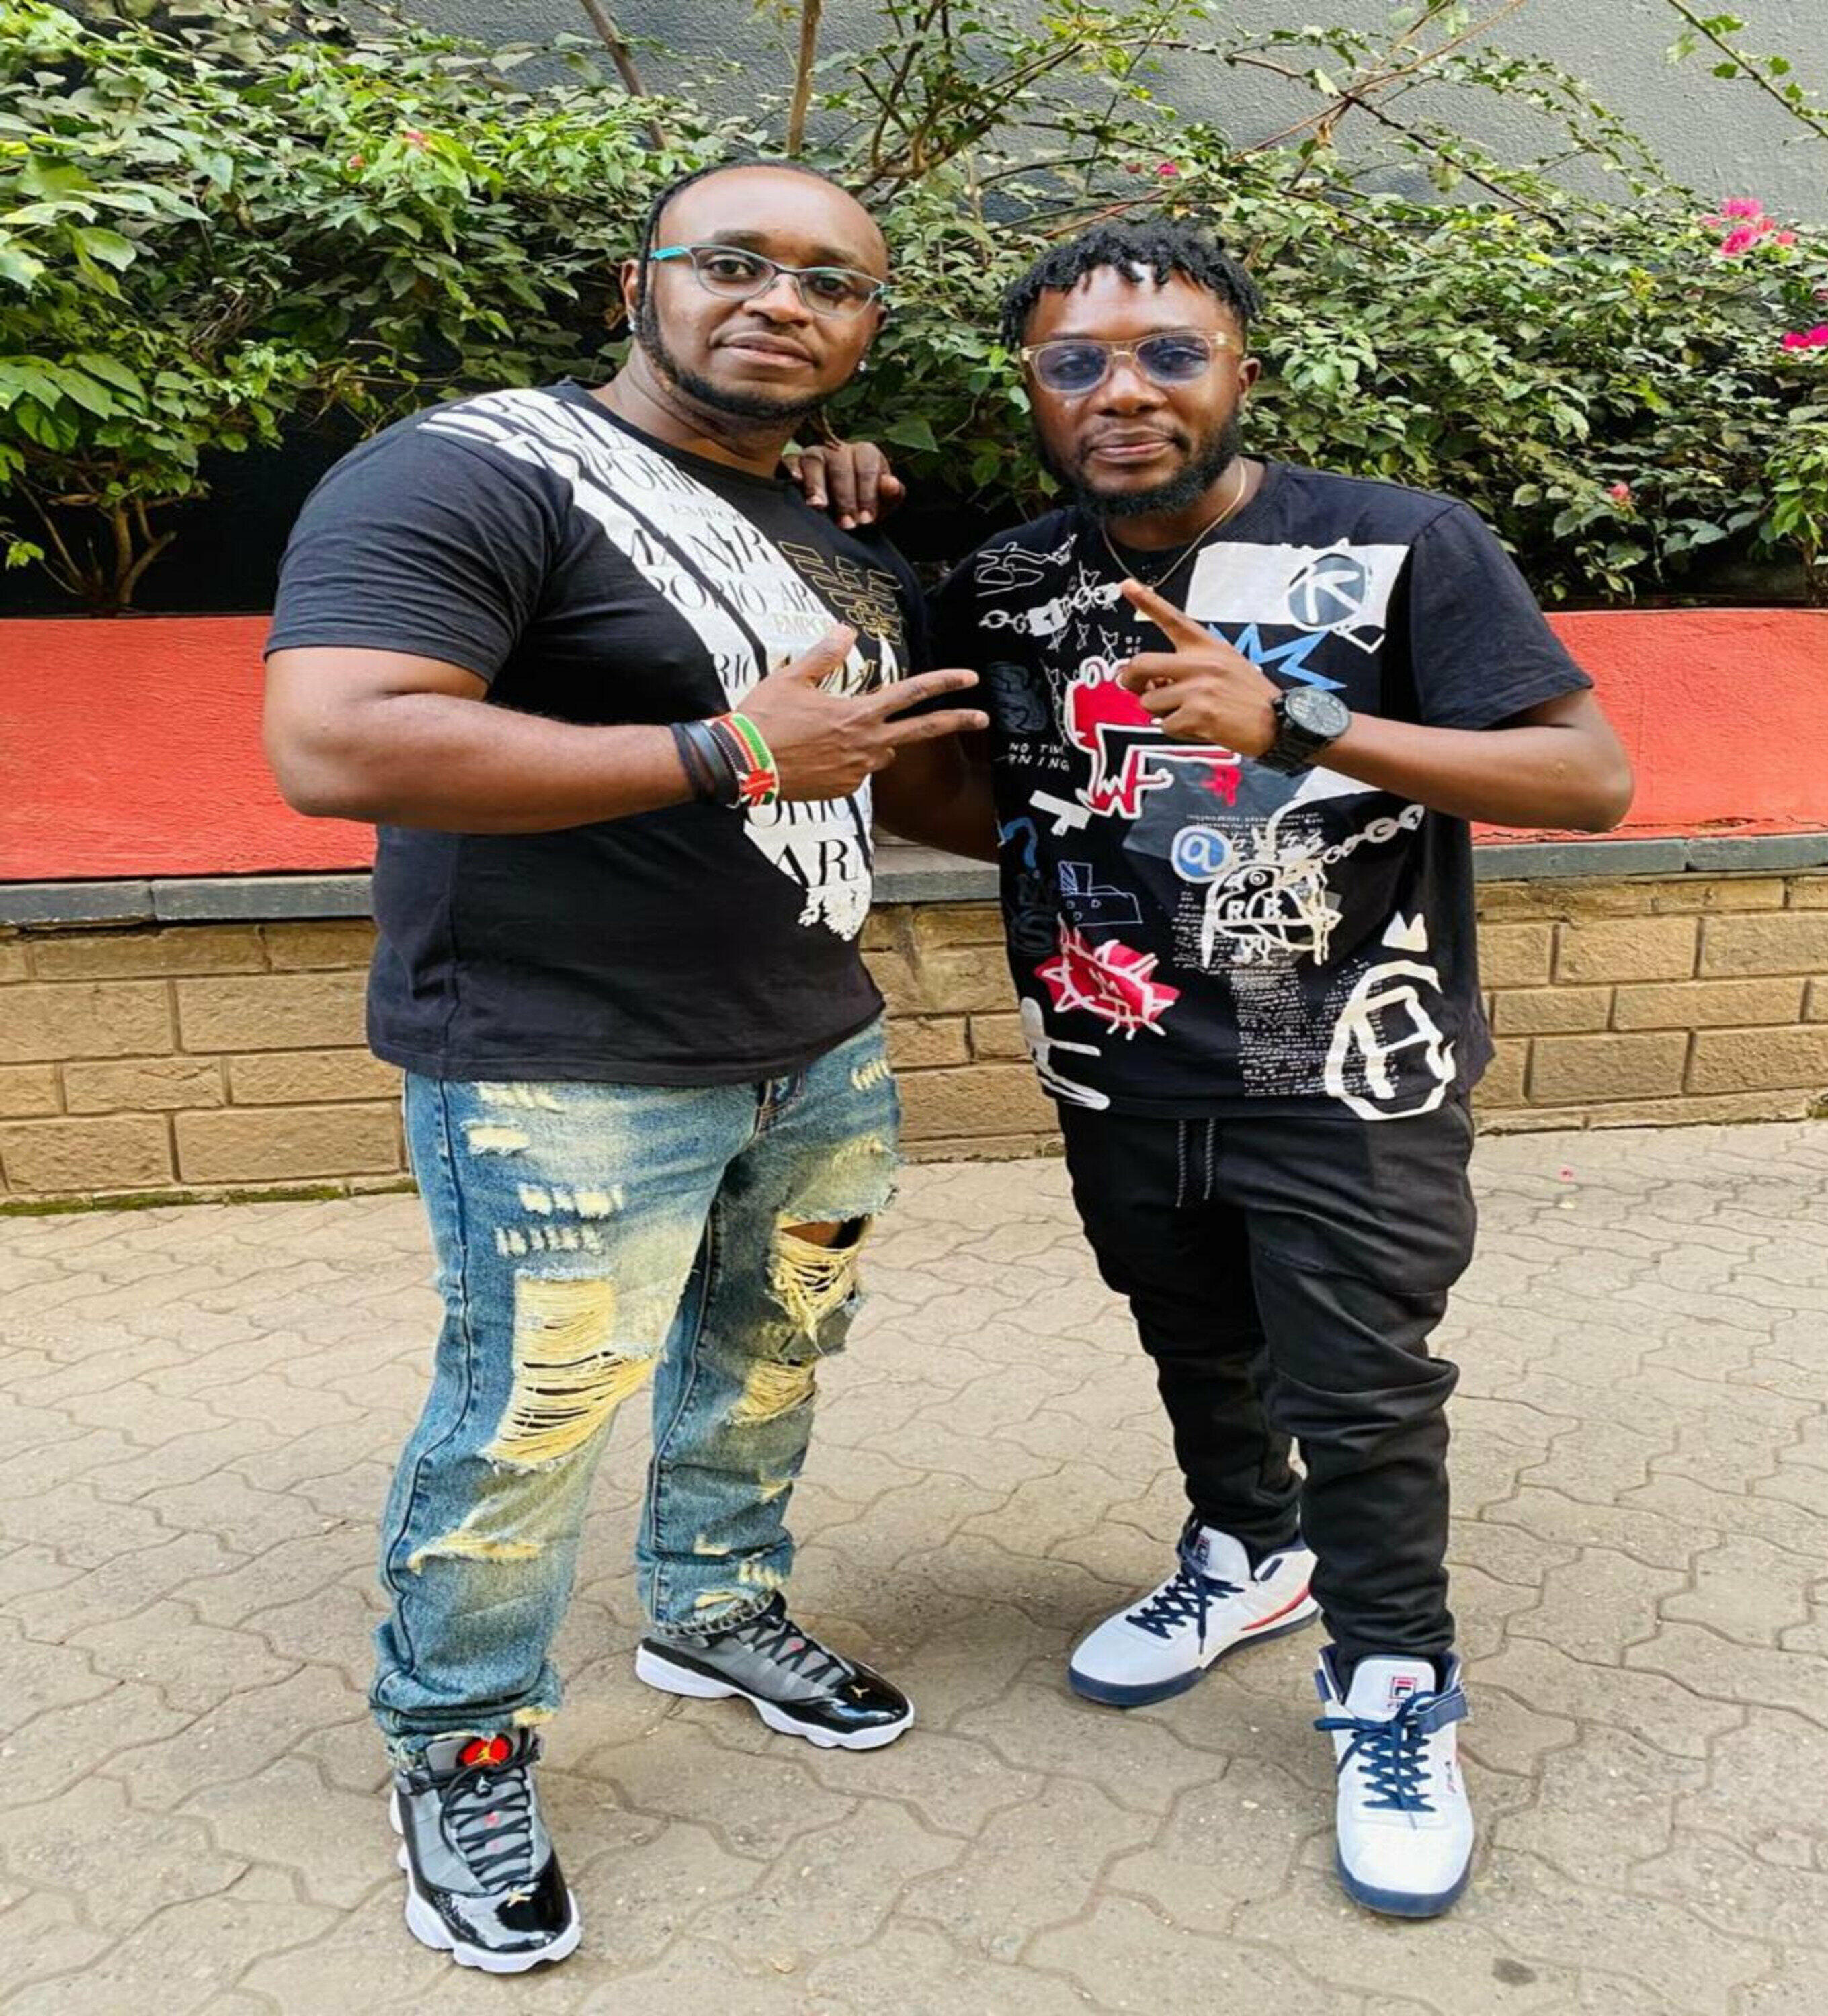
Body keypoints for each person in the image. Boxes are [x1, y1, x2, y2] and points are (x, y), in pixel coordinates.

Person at [261, 159, 986, 1972]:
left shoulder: (834, 526)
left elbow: (892, 768)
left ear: (865, 330)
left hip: (814, 1047)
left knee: (771, 1360)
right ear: (636, 283)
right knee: (531, 1423)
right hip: (561, 1067)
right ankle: (462, 1745)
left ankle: (713, 1611)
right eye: (734, 260)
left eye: (830, 281)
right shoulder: (472, 470)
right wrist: (727, 749)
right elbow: (340, 742)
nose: (780, 299)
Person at [916, 218, 1634, 1918]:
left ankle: (1394, 1685)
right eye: (1076, 363)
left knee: (1360, 1391)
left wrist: (1297, 726)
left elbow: (1588, 781)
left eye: (1170, 353)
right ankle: (1247, 1552)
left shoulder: (1400, 544)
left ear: (1242, 371)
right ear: (1033, 390)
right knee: (1194, 1334)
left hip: (1344, 1068)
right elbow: (973, 791)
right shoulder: (1006, 582)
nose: (1122, 392)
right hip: (1114, 1051)